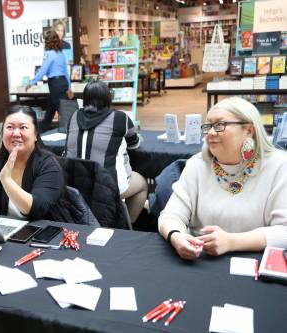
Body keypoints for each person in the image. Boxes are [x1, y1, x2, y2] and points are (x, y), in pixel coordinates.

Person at [159, 97, 287, 260]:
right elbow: (170, 215)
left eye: (220, 125)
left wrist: (232, 242)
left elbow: (284, 231)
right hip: (199, 261)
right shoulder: (198, 165)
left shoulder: (279, 166)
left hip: (254, 264)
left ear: (248, 130)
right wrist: (176, 236)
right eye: (208, 126)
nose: (211, 133)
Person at [65, 81, 148, 223]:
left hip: (74, 184)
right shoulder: (120, 118)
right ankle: (128, 225)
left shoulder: (73, 117)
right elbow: (134, 144)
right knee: (142, 184)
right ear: (108, 98)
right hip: (107, 185)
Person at [0, 105, 64, 220]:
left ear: (36, 135)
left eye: (23, 127)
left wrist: (6, 180)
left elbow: (36, 210)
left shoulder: (49, 165)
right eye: (10, 127)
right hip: (3, 232)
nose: (16, 133)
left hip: (41, 232)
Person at [26, 30, 73, 132]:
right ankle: (41, 131)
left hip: (55, 84)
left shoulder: (49, 54)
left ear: (48, 41)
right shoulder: (61, 54)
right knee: (50, 111)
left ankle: (71, 132)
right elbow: (66, 72)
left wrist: (31, 82)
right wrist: (69, 87)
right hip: (63, 83)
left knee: (63, 112)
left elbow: (43, 71)